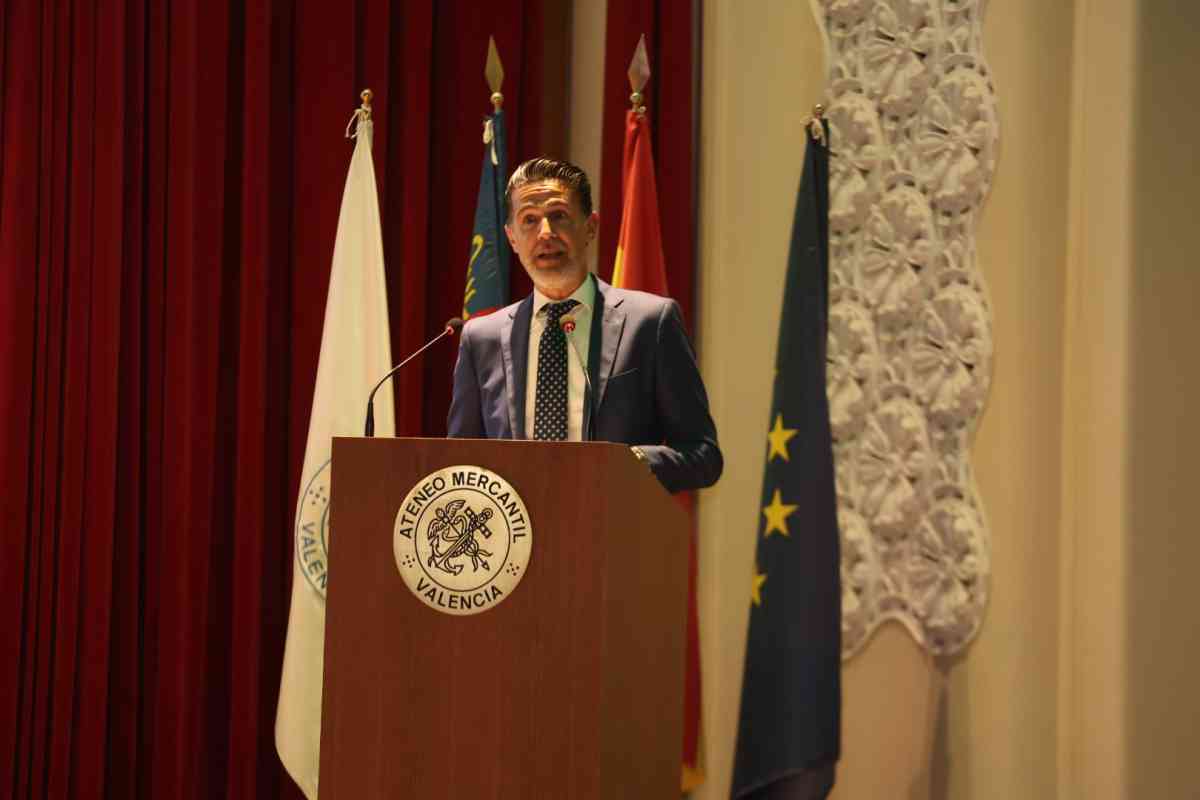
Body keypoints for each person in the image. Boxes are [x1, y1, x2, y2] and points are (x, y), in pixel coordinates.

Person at [447, 157, 722, 493]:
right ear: (512, 238)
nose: (545, 233)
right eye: (529, 220)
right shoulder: (481, 338)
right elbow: (458, 464)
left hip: (612, 521)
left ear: (590, 227)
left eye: (558, 216)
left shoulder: (651, 322)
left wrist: (631, 462)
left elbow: (703, 456)